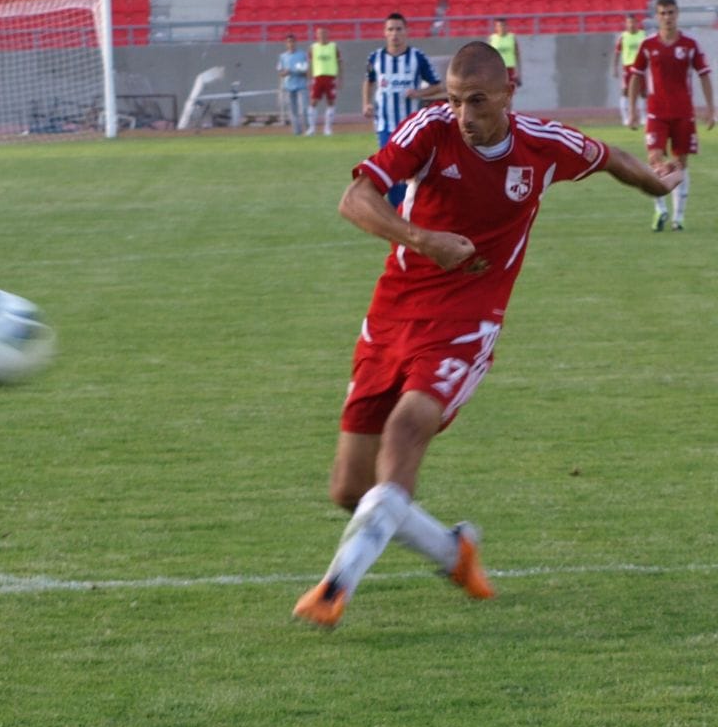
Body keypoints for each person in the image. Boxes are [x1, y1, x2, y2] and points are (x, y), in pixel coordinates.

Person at [291, 41, 684, 630]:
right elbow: (356, 198)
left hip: (468, 323)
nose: (464, 116)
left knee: (405, 429)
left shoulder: (543, 146)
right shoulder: (430, 130)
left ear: (507, 93)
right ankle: (454, 554)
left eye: (476, 101)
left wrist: (658, 186)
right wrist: (423, 238)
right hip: (393, 314)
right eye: (453, 101)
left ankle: (335, 587)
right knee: (349, 489)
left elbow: (609, 157)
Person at [626, 0, 716, 232]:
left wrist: (711, 108)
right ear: (657, 16)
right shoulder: (648, 45)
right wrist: (633, 110)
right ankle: (660, 209)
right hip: (656, 113)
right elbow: (635, 77)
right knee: (655, 159)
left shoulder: (690, 45)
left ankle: (678, 217)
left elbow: (704, 74)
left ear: (677, 14)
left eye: (671, 13)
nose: (667, 17)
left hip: (683, 113)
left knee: (680, 163)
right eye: (663, 13)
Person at [363, 13, 446, 206]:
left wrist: (418, 93)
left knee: (415, 170)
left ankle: (416, 209)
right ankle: (399, 212)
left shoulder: (417, 58)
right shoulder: (375, 58)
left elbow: (438, 86)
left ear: (406, 31)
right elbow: (369, 82)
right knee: (392, 171)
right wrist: (366, 103)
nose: (394, 34)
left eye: (398, 29)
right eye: (390, 29)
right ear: (384, 33)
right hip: (385, 125)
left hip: (411, 127)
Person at [613, 12, 646, 126]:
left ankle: (643, 117)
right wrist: (615, 68)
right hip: (627, 67)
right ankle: (625, 118)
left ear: (637, 23)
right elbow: (617, 53)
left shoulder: (643, 35)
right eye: (629, 22)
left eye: (633, 22)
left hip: (641, 66)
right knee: (625, 92)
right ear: (626, 24)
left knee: (643, 92)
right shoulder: (623, 37)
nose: (631, 25)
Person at [309, 26, 342, 136]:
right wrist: (309, 78)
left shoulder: (333, 46)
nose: (322, 36)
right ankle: (312, 128)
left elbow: (339, 63)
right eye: (319, 34)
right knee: (313, 102)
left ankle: (327, 128)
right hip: (317, 77)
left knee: (331, 102)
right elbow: (310, 64)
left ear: (327, 34)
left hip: (330, 77)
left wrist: (340, 78)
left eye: (324, 33)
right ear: (317, 35)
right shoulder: (313, 47)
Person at [277, 34, 311, 136]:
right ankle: (297, 131)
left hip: (301, 85)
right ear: (286, 44)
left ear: (295, 43)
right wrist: (286, 72)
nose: (291, 44)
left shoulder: (302, 55)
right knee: (293, 110)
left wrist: (300, 71)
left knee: (304, 108)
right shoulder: (282, 57)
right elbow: (280, 72)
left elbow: (307, 71)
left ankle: (309, 129)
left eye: (292, 42)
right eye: (289, 42)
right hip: (289, 86)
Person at [488, 17, 521, 92]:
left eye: (503, 26)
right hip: (497, 68)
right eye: (499, 26)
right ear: (496, 27)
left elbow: (517, 54)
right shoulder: (492, 38)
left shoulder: (512, 37)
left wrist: (518, 72)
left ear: (506, 26)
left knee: (509, 91)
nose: (501, 28)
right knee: (497, 91)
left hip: (509, 68)